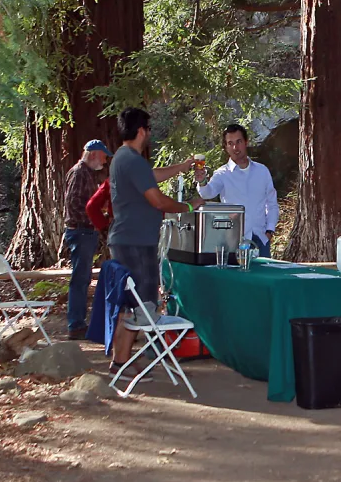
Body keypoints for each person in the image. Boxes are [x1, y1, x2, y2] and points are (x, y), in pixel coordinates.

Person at [108, 108, 194, 371]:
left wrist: (183, 167)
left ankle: (119, 362)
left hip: (130, 239)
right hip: (135, 243)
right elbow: (156, 200)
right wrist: (188, 207)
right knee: (143, 304)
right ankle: (123, 362)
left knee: (131, 303)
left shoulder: (125, 158)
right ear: (142, 130)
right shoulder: (131, 160)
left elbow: (151, 175)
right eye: (149, 129)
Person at [193, 123, 279, 256]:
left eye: (238, 142)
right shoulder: (222, 174)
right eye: (230, 143)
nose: (235, 147)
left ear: (246, 142)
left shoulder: (262, 171)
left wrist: (269, 231)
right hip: (233, 241)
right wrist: (202, 181)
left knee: (263, 277)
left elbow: (272, 204)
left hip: (260, 240)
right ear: (226, 147)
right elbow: (207, 193)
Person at [62, 139, 109, 340]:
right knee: (80, 280)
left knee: (83, 278)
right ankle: (76, 325)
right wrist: (96, 219)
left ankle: (78, 322)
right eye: (103, 155)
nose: (105, 160)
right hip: (81, 231)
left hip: (85, 232)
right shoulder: (80, 172)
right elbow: (74, 203)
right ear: (93, 154)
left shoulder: (87, 173)